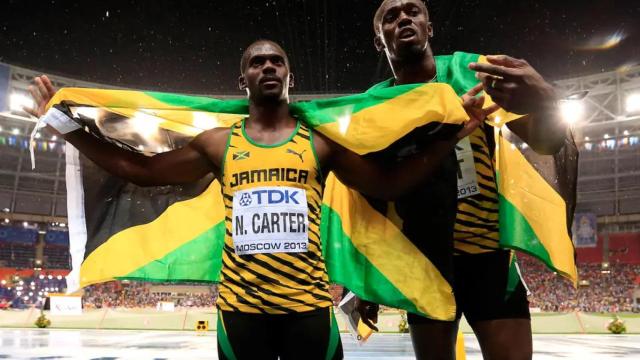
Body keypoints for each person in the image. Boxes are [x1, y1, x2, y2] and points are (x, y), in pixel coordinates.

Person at [26, 40, 493, 360]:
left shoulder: (320, 143)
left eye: (276, 61)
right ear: (242, 80)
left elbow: (388, 185)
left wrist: (448, 136)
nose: (267, 66)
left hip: (309, 310)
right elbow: (141, 170)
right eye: (257, 62)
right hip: (240, 314)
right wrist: (62, 124)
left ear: (290, 74)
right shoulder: (217, 143)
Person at [356, 1, 568, 360]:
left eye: (413, 11)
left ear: (430, 26)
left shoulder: (471, 72)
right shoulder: (373, 106)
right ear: (379, 40)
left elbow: (548, 142)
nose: (404, 18)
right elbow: (370, 198)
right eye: (390, 17)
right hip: (425, 263)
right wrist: (364, 282)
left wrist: (546, 98)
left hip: (489, 256)